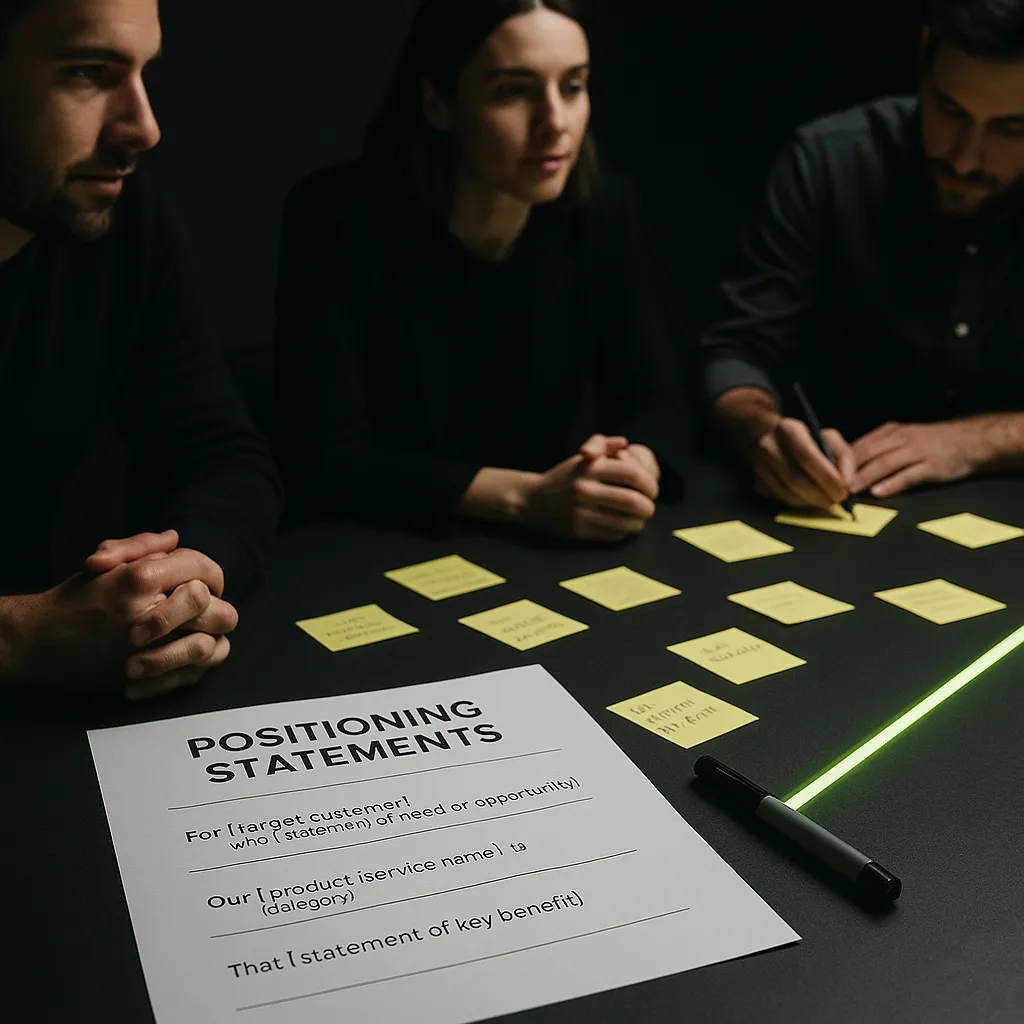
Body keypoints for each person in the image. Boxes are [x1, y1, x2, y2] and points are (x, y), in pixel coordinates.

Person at [274, 0, 689, 543]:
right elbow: (324, 458)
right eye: (513, 91)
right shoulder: (337, 215)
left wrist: (632, 466)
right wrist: (524, 500)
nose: (555, 124)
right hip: (377, 548)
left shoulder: (601, 210)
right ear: (438, 103)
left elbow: (656, 402)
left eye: (573, 86)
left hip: (553, 549)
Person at [0, 0, 282, 700]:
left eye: (143, 72)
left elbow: (223, 456)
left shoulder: (125, 222)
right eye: (89, 73)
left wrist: (175, 582)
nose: (145, 127)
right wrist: (19, 638)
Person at [702, 0, 1024, 509]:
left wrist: (975, 442)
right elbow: (737, 352)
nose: (965, 157)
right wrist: (761, 433)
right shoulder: (831, 160)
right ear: (924, 57)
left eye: (1011, 129)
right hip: (845, 511)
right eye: (949, 110)